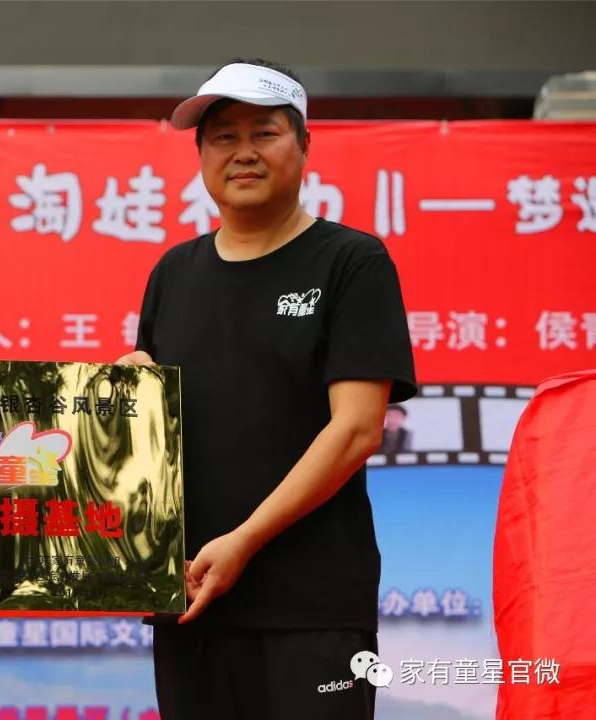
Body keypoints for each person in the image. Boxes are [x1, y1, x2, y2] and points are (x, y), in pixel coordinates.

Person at [118, 59, 416, 718]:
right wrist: (124, 399)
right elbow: (152, 447)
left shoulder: (352, 262)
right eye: (224, 136)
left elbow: (356, 429)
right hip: (191, 599)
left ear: (304, 145)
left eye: (265, 133)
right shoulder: (174, 273)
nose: (243, 152)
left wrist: (245, 540)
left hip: (311, 608)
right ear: (201, 156)